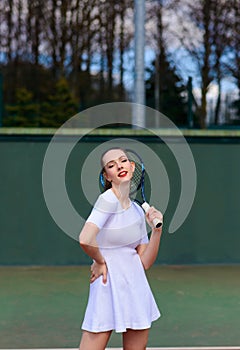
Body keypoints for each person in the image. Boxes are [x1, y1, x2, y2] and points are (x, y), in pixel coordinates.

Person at [79, 147, 163, 350]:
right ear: (107, 176)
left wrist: (157, 231)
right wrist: (99, 261)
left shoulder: (136, 210)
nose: (119, 165)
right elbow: (85, 238)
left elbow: (144, 262)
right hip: (107, 285)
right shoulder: (107, 200)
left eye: (123, 160)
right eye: (111, 165)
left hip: (136, 285)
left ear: (132, 167)